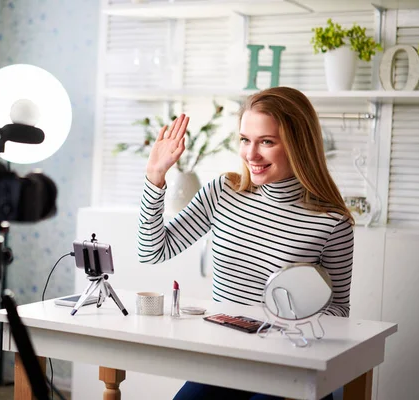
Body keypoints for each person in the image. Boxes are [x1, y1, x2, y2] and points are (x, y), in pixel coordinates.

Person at [137, 86, 354, 400]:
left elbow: (339, 311)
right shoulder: (225, 191)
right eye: (245, 140)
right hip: (226, 361)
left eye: (266, 141)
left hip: (290, 366)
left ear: (298, 144)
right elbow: (152, 250)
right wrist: (155, 176)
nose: (251, 154)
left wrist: (290, 320)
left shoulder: (332, 221)